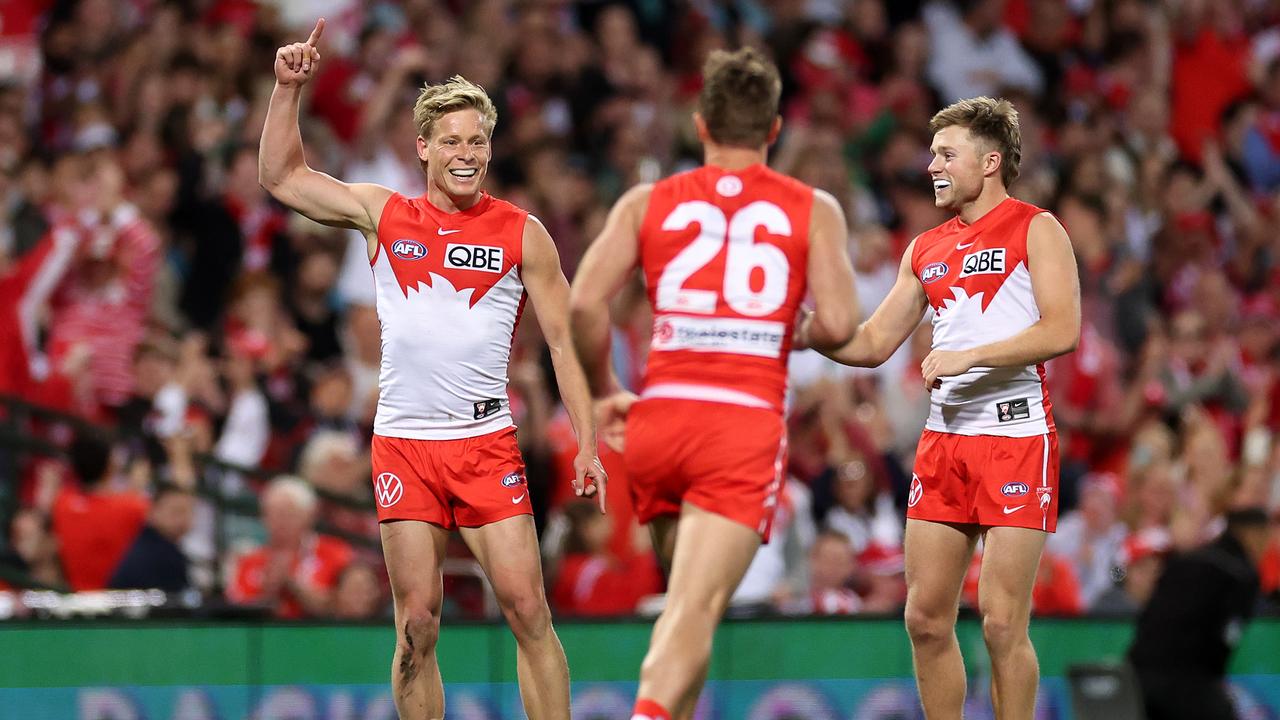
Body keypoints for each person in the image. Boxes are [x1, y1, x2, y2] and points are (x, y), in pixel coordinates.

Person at [259, 19, 605, 720]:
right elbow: (282, 177)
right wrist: (286, 90)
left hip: (485, 445)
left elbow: (564, 344)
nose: (466, 153)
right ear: (423, 147)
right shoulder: (384, 214)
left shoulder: (521, 232)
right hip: (405, 444)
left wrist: (588, 442)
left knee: (528, 609)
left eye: (477, 140)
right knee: (417, 623)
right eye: (451, 140)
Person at [569, 47, 859, 720]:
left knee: (686, 609)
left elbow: (584, 304)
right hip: (740, 424)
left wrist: (607, 386)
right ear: (775, 130)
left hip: (659, 419)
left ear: (699, 125)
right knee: (693, 611)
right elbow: (842, 323)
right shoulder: (811, 208)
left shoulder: (648, 201)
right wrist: (788, 326)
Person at [816, 96, 1080, 719]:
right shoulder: (924, 248)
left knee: (1000, 623)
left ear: (990, 162)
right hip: (943, 444)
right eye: (932, 153)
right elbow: (875, 342)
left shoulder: (1036, 227)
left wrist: (973, 356)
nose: (931, 165)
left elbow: (1064, 328)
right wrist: (810, 331)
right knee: (925, 619)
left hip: (1017, 439)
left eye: (945, 154)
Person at [1129, 508, 1269, 720]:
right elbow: (1225, 638)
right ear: (1252, 534)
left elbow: (1148, 621)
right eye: (1264, 537)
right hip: (1187, 685)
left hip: (1137, 680)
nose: (1267, 546)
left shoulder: (1186, 561)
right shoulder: (1240, 574)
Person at [227, 476, 354, 619]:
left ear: (309, 515)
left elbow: (347, 606)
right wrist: (268, 590)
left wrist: (293, 585)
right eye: (273, 513)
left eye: (288, 514)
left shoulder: (336, 553)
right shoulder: (248, 560)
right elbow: (236, 612)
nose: (280, 522)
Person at [49, 431, 150, 591]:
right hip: (116, 601)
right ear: (110, 465)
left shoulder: (62, 503)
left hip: (78, 597)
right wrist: (138, 487)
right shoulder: (131, 507)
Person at [108, 483, 196, 592]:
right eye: (176, 512)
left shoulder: (152, 545)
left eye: (189, 512)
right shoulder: (161, 553)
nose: (183, 519)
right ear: (153, 511)